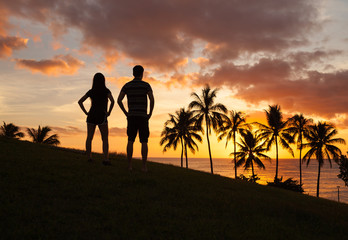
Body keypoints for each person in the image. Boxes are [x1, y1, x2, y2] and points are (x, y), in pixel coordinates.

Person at [117, 65, 154, 171]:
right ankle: (144, 166)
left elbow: (119, 100)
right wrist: (150, 113)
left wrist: (126, 113)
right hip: (143, 116)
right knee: (144, 141)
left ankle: (129, 166)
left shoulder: (127, 86)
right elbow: (152, 99)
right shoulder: (146, 85)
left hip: (132, 116)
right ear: (142, 73)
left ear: (133, 73)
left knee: (130, 140)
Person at [78, 72, 114, 165]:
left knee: (89, 137)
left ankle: (89, 158)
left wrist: (86, 112)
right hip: (102, 115)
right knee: (105, 138)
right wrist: (109, 112)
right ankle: (106, 159)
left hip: (92, 115)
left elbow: (80, 101)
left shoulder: (91, 91)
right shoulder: (106, 91)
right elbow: (112, 101)